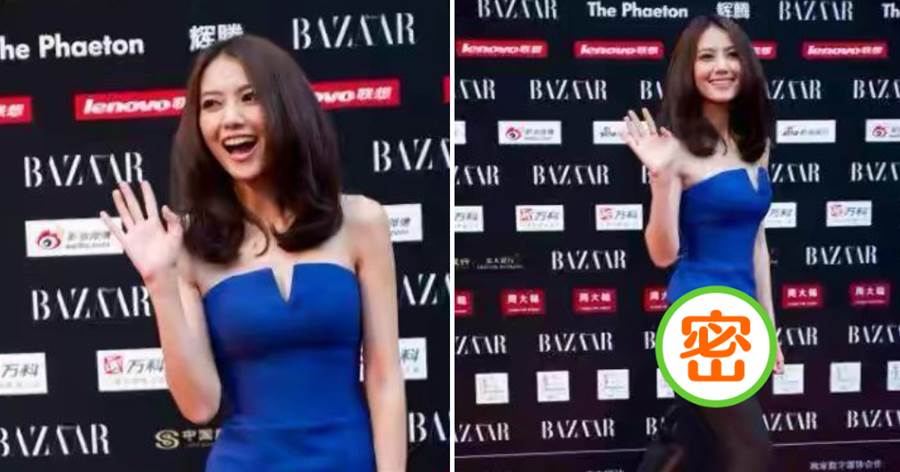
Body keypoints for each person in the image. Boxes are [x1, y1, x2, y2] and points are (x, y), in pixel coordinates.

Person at [99, 34, 406, 471]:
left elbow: (385, 377)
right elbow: (199, 405)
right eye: (211, 104)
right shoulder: (188, 244)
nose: (231, 119)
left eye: (249, 97)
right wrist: (159, 282)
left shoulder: (361, 222)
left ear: (287, 106)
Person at [622, 15, 784, 472]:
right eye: (707, 56)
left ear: (746, 64)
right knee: (751, 452)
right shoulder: (675, 151)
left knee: (697, 444)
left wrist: (768, 325)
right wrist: (661, 177)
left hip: (742, 319)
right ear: (688, 71)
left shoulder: (756, 145)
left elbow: (756, 242)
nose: (722, 66)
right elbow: (662, 255)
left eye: (732, 54)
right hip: (700, 318)